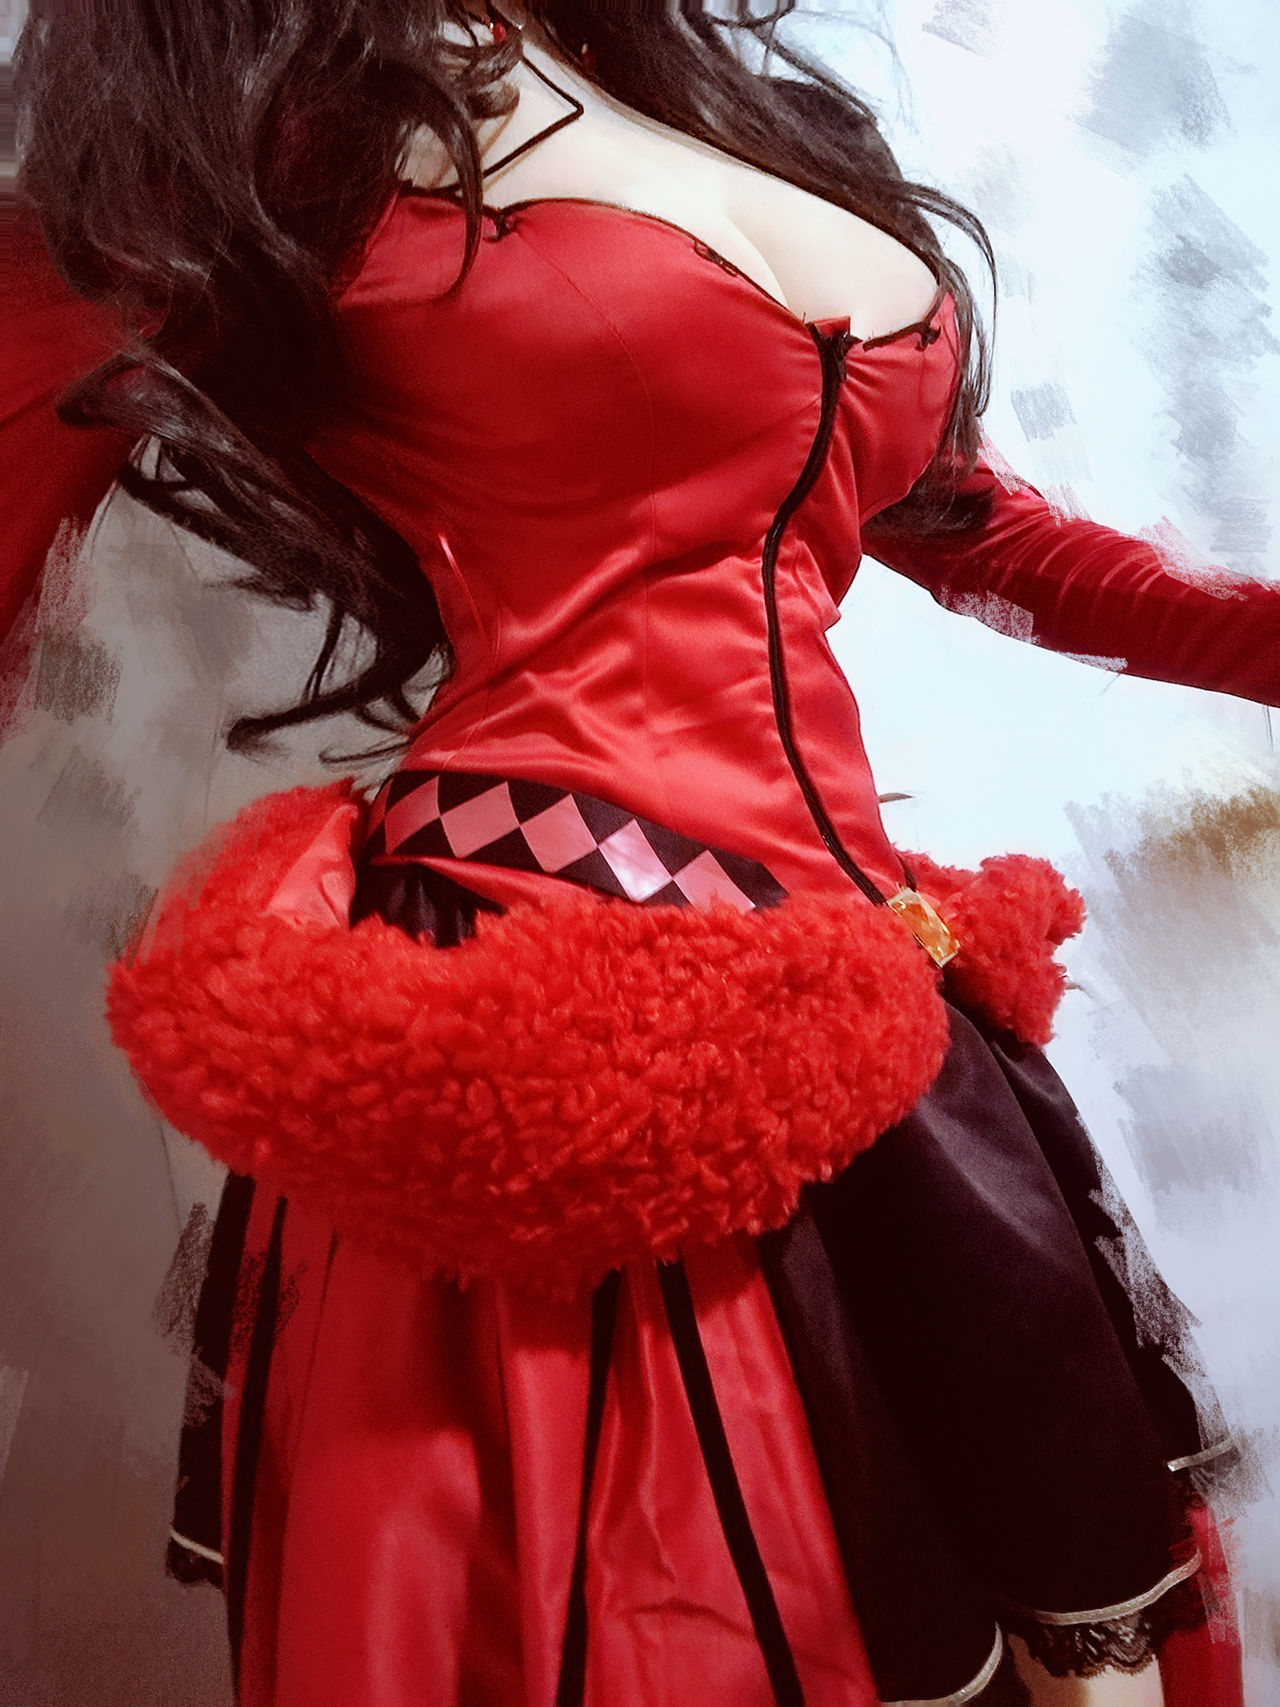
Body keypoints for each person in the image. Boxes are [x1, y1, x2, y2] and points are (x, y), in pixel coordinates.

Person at [3, 2, 1269, 1703]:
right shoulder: (288, 164)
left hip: (871, 982)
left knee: (1053, 1583)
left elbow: (983, 533)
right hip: (553, 1000)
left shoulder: (717, 110)